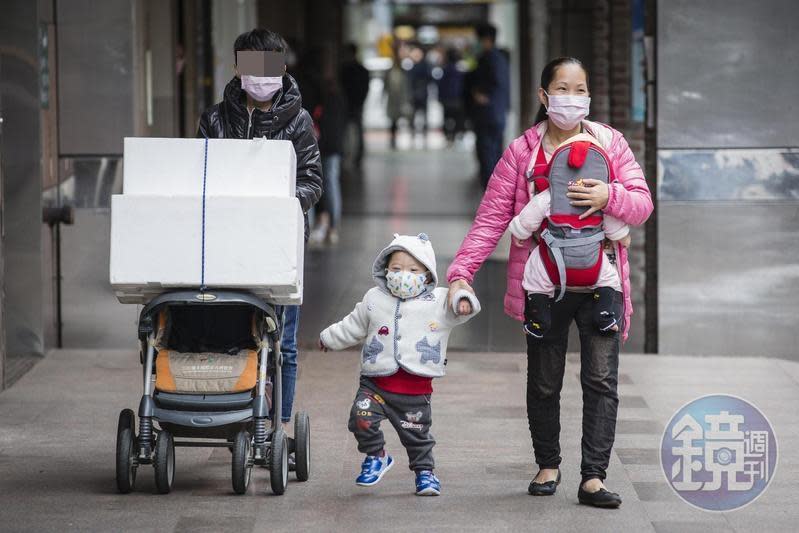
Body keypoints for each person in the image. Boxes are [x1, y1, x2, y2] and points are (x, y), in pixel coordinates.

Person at [446, 57, 653, 508]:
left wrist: (608, 194)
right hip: (545, 285)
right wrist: (461, 273)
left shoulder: (609, 143)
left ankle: (594, 477)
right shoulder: (522, 152)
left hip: (602, 281)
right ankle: (548, 464)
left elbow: (641, 204)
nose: (572, 98)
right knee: (544, 380)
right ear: (544, 96)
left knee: (601, 380)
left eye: (581, 89)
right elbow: (492, 219)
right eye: (563, 88)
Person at [197, 28, 323, 466]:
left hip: (279, 245)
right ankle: (235, 414)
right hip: (227, 246)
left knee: (284, 343)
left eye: (268, 67)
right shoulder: (215, 119)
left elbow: (312, 180)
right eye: (250, 66)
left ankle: (278, 430)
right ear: (236, 68)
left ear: (283, 69)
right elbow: (201, 173)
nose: (260, 76)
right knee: (232, 332)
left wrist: (282, 204)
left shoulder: (299, 121)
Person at [318, 233, 480, 496]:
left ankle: (425, 473)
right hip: (375, 385)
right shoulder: (374, 298)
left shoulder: (438, 301)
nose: (403, 275)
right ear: (385, 270)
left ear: (427, 275)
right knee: (360, 419)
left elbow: (461, 307)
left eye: (413, 270)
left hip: (414, 392)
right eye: (396, 268)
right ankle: (376, 456)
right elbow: (353, 325)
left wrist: (463, 300)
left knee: (417, 438)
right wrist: (329, 338)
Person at [508, 137, 632, 337]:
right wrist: (623, 237)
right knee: (610, 278)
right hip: (591, 263)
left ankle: (539, 320)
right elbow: (614, 228)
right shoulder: (600, 200)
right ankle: (604, 314)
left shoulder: (549, 196)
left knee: (533, 278)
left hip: (552, 263)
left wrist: (520, 233)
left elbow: (527, 219)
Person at [309, 71, 348, 246]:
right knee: (331, 183)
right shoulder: (339, 99)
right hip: (334, 148)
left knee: (314, 182)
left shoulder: (321, 101)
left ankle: (319, 225)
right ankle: (332, 226)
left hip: (323, 147)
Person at [470, 23, 510, 188]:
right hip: (497, 113)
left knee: (487, 151)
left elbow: (493, 82)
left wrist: (480, 94)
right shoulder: (501, 58)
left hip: (488, 114)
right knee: (493, 151)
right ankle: (495, 187)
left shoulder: (488, 58)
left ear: (486, 40)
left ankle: (491, 188)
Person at [339, 43, 370, 167]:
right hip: (356, 103)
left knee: (346, 130)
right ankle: (357, 155)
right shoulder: (361, 69)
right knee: (357, 129)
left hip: (348, 103)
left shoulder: (344, 69)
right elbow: (365, 88)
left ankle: (348, 154)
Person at [437, 48, 466, 145]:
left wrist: (440, 97)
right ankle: (455, 134)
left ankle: (449, 136)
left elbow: (441, 85)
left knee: (447, 118)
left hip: (448, 99)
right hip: (457, 99)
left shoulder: (445, 70)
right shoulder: (460, 70)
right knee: (457, 118)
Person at [385, 47, 411, 150]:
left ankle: (396, 137)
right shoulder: (389, 72)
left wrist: (406, 99)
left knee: (397, 120)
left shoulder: (402, 72)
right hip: (392, 99)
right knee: (392, 121)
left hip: (399, 100)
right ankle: (392, 139)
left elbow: (405, 87)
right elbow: (386, 85)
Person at [408, 47, 432, 143]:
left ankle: (423, 131)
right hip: (416, 94)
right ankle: (414, 131)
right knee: (415, 115)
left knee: (423, 115)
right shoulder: (415, 66)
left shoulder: (423, 66)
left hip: (422, 94)